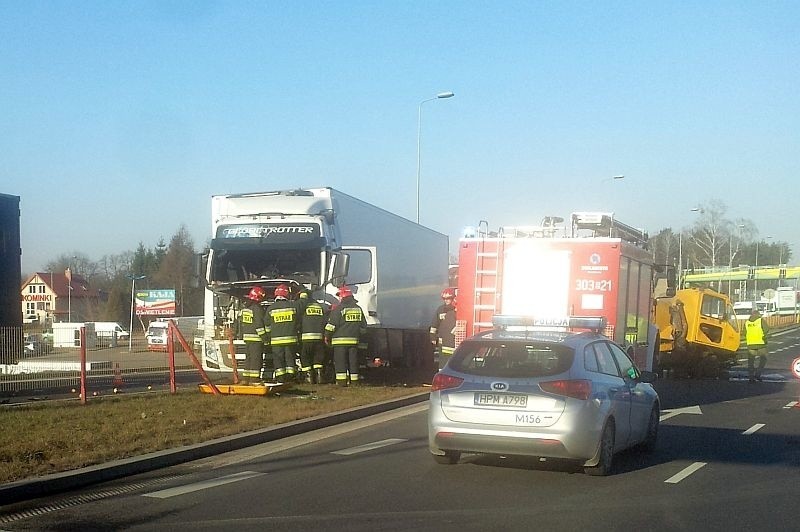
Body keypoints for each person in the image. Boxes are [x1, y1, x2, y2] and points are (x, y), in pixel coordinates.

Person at [325, 285, 366, 386]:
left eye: (339, 296)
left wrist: (327, 336)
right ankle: (354, 382)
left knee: (340, 362)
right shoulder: (358, 309)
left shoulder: (339, 309)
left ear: (343, 296)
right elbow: (363, 326)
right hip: (354, 341)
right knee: (353, 362)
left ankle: (342, 382)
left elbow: (331, 326)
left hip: (340, 342)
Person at [265, 284, 300, 383]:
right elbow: (298, 322)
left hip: (276, 340)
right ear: (287, 295)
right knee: (290, 358)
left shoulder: (271, 308)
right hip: (291, 339)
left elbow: (267, 325)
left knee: (278, 359)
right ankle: (291, 376)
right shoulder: (293, 307)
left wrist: (268, 337)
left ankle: (280, 378)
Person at [239, 285, 268, 385]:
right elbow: (259, 325)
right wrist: (265, 338)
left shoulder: (245, 308)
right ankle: (254, 380)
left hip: (247, 338)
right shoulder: (257, 309)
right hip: (256, 338)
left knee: (249, 358)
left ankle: (245, 379)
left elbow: (240, 324)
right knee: (256, 359)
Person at [298, 289, 327, 384]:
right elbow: (324, 320)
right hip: (319, 337)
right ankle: (320, 378)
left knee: (305, 357)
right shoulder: (319, 306)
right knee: (318, 358)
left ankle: (309, 379)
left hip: (306, 338)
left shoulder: (302, 306)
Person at [430, 287, 457, 370]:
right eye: (444, 298)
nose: (446, 300)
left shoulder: (457, 310)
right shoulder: (440, 309)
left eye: (448, 298)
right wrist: (432, 337)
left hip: (454, 341)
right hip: (443, 342)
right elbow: (434, 324)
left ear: (454, 298)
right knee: (443, 363)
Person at [744, 307, 769, 382]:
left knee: (751, 361)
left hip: (751, 345)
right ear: (758, 314)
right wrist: (764, 337)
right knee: (764, 359)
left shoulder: (747, 322)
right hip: (760, 344)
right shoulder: (760, 321)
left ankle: (751, 377)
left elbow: (744, 333)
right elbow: (766, 330)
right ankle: (758, 374)